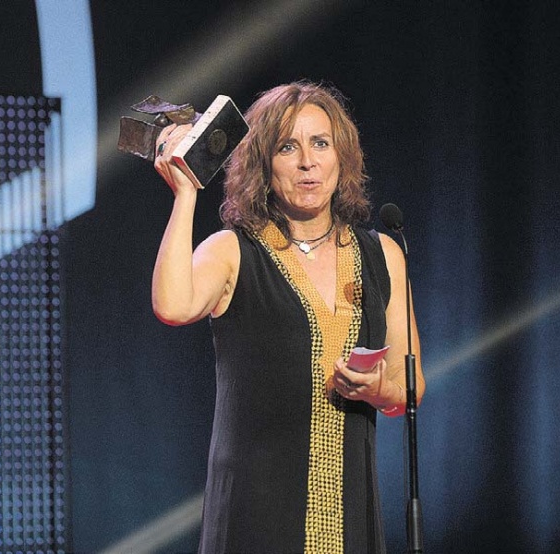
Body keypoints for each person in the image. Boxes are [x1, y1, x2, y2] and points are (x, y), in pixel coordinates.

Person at [152, 81, 425, 553]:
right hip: (257, 518)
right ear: (263, 164)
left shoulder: (383, 254)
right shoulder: (233, 250)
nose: (307, 162)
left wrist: (380, 390)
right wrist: (185, 197)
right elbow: (172, 306)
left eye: (320, 143)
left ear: (342, 156)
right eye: (287, 147)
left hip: (349, 517)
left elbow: (410, 386)